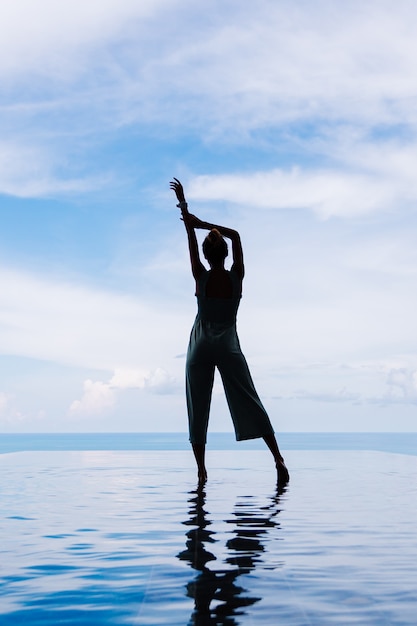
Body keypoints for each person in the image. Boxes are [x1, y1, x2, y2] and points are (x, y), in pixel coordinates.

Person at [170, 178, 289, 486]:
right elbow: (235, 235)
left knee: (197, 405)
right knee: (249, 398)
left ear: (207, 256)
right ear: (224, 253)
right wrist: (205, 224)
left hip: (200, 344)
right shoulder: (237, 276)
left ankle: (201, 471)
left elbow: (189, 237)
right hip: (228, 344)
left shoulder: (201, 276)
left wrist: (186, 211)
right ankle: (277, 458)